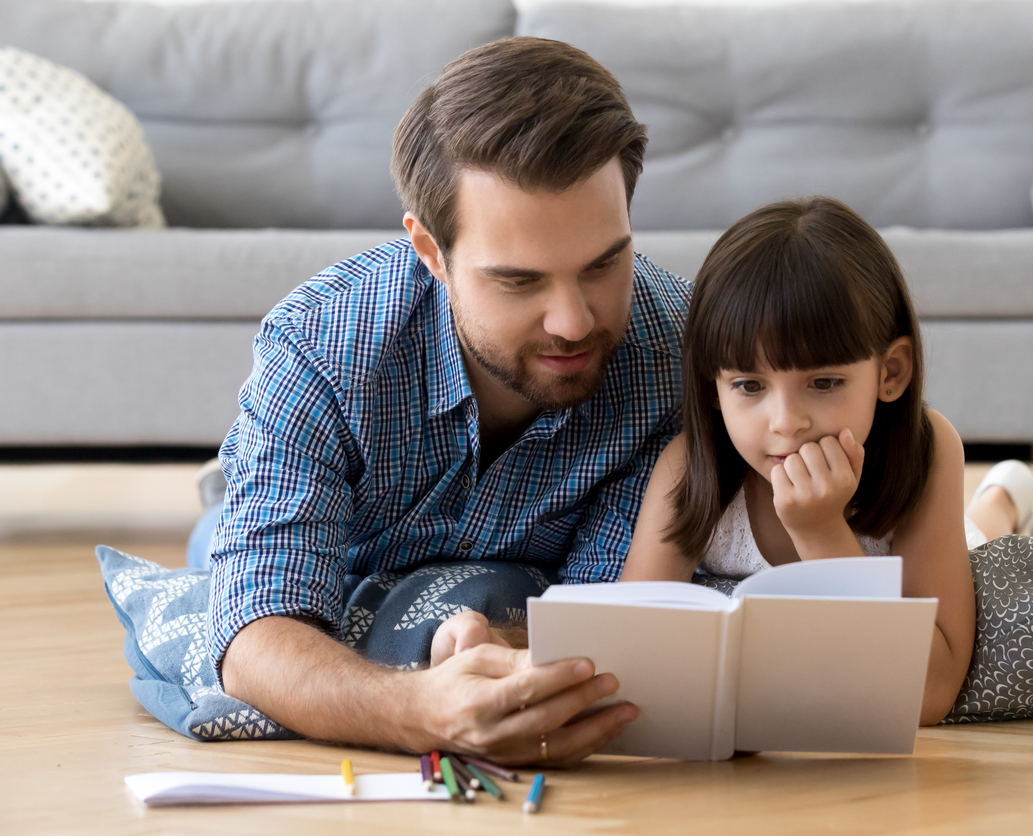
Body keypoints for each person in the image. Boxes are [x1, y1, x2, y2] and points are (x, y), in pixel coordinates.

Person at [201, 37, 692, 765]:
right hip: (343, 545)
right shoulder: (321, 343)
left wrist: (502, 651)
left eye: (603, 264)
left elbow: (619, 611)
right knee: (216, 554)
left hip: (516, 588)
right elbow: (254, 635)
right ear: (431, 252)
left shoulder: (676, 354)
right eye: (519, 281)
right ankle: (231, 487)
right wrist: (421, 711)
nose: (574, 322)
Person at [619, 197, 1033, 725]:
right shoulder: (688, 467)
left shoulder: (929, 449)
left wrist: (820, 532)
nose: (785, 421)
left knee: (981, 528)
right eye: (749, 385)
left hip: (946, 537)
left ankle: (1005, 493)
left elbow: (930, 695)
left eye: (823, 383)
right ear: (711, 385)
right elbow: (630, 635)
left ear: (892, 372)